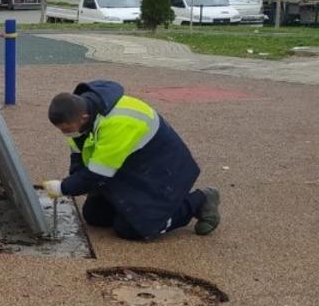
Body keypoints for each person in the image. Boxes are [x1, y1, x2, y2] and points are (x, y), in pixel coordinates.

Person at [42, 80, 220, 241]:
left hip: (162, 171)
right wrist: (74, 182)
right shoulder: (78, 117)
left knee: (132, 230)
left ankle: (199, 201)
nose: (65, 133)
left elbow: (98, 172)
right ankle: (135, 211)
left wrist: (64, 187)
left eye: (66, 129)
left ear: (84, 118)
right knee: (94, 216)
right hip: (131, 165)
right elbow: (78, 159)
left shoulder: (118, 123)